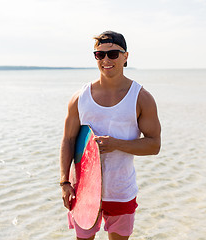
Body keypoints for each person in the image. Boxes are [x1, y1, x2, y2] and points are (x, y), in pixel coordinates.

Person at [59, 31, 161, 240]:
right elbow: (68, 140)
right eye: (99, 55)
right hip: (83, 189)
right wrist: (64, 183)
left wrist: (116, 144)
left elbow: (154, 145)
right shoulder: (80, 98)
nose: (106, 60)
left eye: (113, 54)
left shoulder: (141, 98)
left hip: (121, 190)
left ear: (126, 56)